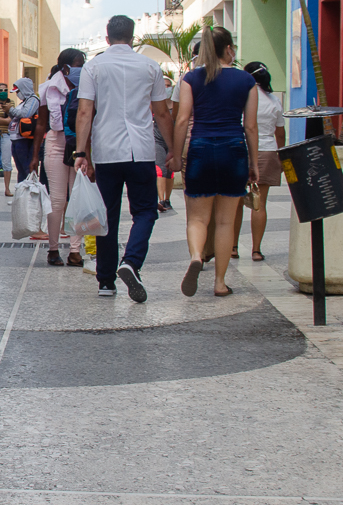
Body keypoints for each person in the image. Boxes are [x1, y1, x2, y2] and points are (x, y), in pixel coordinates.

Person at [75, 15, 175, 303]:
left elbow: (85, 112)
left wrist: (81, 153)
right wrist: (172, 149)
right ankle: (131, 261)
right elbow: (162, 113)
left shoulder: (94, 67)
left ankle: (106, 281)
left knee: (107, 215)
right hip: (140, 151)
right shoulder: (150, 66)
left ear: (107, 38)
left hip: (106, 151)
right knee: (146, 212)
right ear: (132, 37)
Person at [168, 26, 259, 297]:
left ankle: (197, 256)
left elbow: (182, 119)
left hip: (201, 149)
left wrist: (176, 156)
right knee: (225, 222)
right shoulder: (246, 80)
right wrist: (254, 163)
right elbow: (250, 127)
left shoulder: (191, 78)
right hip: (234, 150)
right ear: (229, 48)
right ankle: (220, 283)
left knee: (197, 218)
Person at [30, 48, 86, 267]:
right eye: (77, 65)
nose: (81, 69)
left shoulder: (87, 86)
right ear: (65, 67)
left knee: (77, 197)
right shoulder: (48, 88)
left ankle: (75, 251)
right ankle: (53, 249)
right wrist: (35, 155)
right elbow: (41, 123)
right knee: (58, 200)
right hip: (56, 142)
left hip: (80, 144)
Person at [233, 62, 285, 262]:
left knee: (236, 203)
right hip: (267, 150)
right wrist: (280, 156)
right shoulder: (274, 100)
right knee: (260, 204)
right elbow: (280, 132)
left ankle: (233, 247)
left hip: (241, 149)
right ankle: (256, 250)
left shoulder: (240, 98)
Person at [8, 78, 39, 184]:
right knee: (20, 169)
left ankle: (29, 190)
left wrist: (10, 109)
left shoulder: (33, 100)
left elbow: (26, 114)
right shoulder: (24, 102)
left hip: (24, 140)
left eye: (18, 91)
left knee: (26, 168)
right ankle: (21, 190)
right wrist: (8, 111)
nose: (17, 94)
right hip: (16, 139)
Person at [155, 76, 176, 212]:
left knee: (170, 171)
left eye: (168, 85)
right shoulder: (154, 103)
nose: (166, 88)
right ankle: (161, 199)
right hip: (157, 139)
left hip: (173, 140)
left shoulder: (176, 104)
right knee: (160, 169)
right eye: (164, 85)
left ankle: (167, 199)